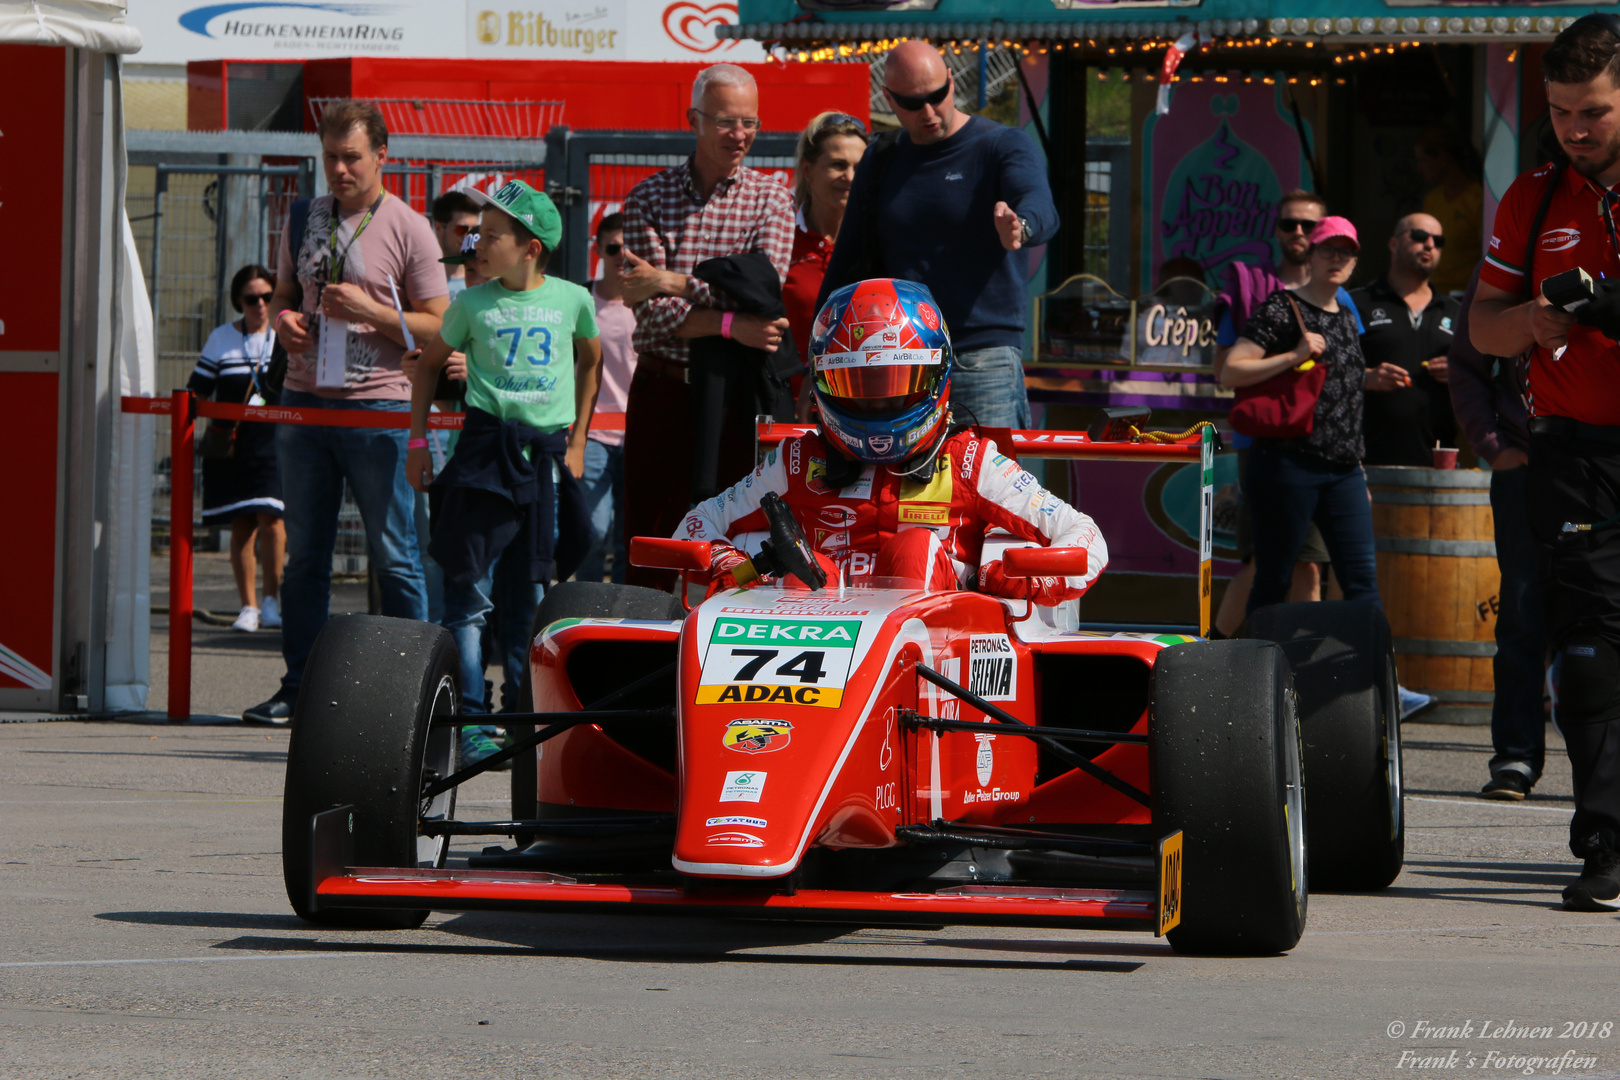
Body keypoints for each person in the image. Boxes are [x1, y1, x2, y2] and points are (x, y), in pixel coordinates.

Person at [678, 278, 1107, 602]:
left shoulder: (970, 462)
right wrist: (736, 566)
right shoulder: (796, 462)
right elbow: (693, 528)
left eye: (895, 384)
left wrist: (1015, 578)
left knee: (916, 548)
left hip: (937, 662)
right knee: (807, 571)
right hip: (811, 664)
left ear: (936, 375)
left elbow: (1085, 537)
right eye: (855, 384)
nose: (877, 403)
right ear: (822, 382)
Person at [1468, 14, 1620, 909]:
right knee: (1593, 654)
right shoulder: (1531, 196)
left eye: (1595, 111)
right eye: (1563, 111)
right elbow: (1481, 325)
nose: (1576, 128)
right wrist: (1531, 322)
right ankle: (1603, 842)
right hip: (1574, 458)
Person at [245, 99, 449, 725]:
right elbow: (283, 295)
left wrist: (374, 314)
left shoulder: (409, 226)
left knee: (395, 554)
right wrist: (284, 324)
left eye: (351, 157)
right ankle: (300, 685)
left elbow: (441, 325)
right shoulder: (303, 215)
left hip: (380, 408)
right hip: (306, 406)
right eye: (329, 157)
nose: (339, 170)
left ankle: (410, 689)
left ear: (381, 156)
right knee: (306, 553)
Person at [404, 180, 602, 748]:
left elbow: (592, 362)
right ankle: (468, 719)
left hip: (543, 458)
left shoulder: (573, 300)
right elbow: (427, 368)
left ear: (530, 246)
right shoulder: (470, 303)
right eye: (475, 233)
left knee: (532, 598)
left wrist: (579, 438)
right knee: (469, 595)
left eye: (492, 235)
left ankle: (528, 725)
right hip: (482, 454)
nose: (477, 243)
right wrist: (418, 443)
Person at [818, 40, 1057, 431]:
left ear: (951, 80)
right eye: (912, 103)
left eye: (937, 96)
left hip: (980, 355)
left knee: (989, 485)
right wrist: (818, 363)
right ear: (889, 99)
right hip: (897, 358)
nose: (929, 112)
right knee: (905, 488)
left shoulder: (999, 144)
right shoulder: (880, 159)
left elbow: (1039, 202)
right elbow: (846, 263)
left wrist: (1022, 226)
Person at [616, 63, 794, 589]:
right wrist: (731, 325)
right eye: (724, 121)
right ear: (693, 119)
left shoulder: (771, 197)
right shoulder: (648, 198)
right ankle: (642, 657)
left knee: (744, 543)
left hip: (740, 401)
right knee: (649, 541)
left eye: (749, 122)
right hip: (663, 392)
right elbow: (648, 321)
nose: (739, 135)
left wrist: (671, 281)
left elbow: (766, 294)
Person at [1220, 218, 1384, 620]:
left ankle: (1376, 679)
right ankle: (1259, 673)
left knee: (1362, 583)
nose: (1337, 258)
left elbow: (1345, 398)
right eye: (1328, 249)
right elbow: (1230, 371)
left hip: (1344, 471)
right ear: (1311, 254)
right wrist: (1294, 355)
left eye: (1346, 251)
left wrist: (1359, 473)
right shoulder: (1281, 307)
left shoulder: (1347, 315)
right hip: (1286, 463)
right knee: (1274, 579)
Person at [1449, 264, 1546, 801]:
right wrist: (1494, 448)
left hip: (1600, 467)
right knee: (1522, 617)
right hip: (1524, 466)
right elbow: (1466, 366)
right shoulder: (1507, 265)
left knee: (1601, 624)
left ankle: (1601, 769)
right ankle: (1516, 757)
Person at [188, 264, 285, 634]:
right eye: (251, 299)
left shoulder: (285, 336)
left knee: (273, 521)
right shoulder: (221, 339)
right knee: (242, 523)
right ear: (238, 302)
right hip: (233, 445)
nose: (260, 305)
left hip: (275, 443)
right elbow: (197, 388)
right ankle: (248, 607)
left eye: (267, 297)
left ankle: (272, 601)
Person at [1353, 213, 1460, 467]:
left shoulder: (1456, 311)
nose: (1430, 245)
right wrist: (1366, 377)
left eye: (1438, 240)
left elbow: (1485, 376)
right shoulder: (1358, 302)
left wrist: (1459, 372)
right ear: (1393, 244)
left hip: (1437, 462)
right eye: (1420, 236)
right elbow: (1327, 370)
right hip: (1364, 459)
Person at [785, 111, 868, 417]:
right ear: (807, 168)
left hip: (861, 409)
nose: (849, 177)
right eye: (837, 165)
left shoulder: (876, 245)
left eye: (859, 167)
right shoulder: (780, 239)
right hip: (790, 409)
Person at [576, 213, 637, 584]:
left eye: (628, 248)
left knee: (627, 535)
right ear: (598, 249)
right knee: (593, 531)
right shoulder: (580, 299)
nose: (622, 255)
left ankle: (623, 612)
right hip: (593, 430)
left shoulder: (647, 303)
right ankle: (583, 606)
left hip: (639, 430)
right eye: (613, 248)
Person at [1415, 126, 1485, 296]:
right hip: (1431, 295)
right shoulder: (1432, 199)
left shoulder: (1479, 199)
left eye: (1422, 160)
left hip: (1465, 298)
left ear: (1442, 157)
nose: (1419, 169)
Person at [431, 190, 482, 300]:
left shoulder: (487, 280)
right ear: (439, 228)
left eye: (474, 230)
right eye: (460, 229)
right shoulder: (422, 279)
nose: (468, 236)